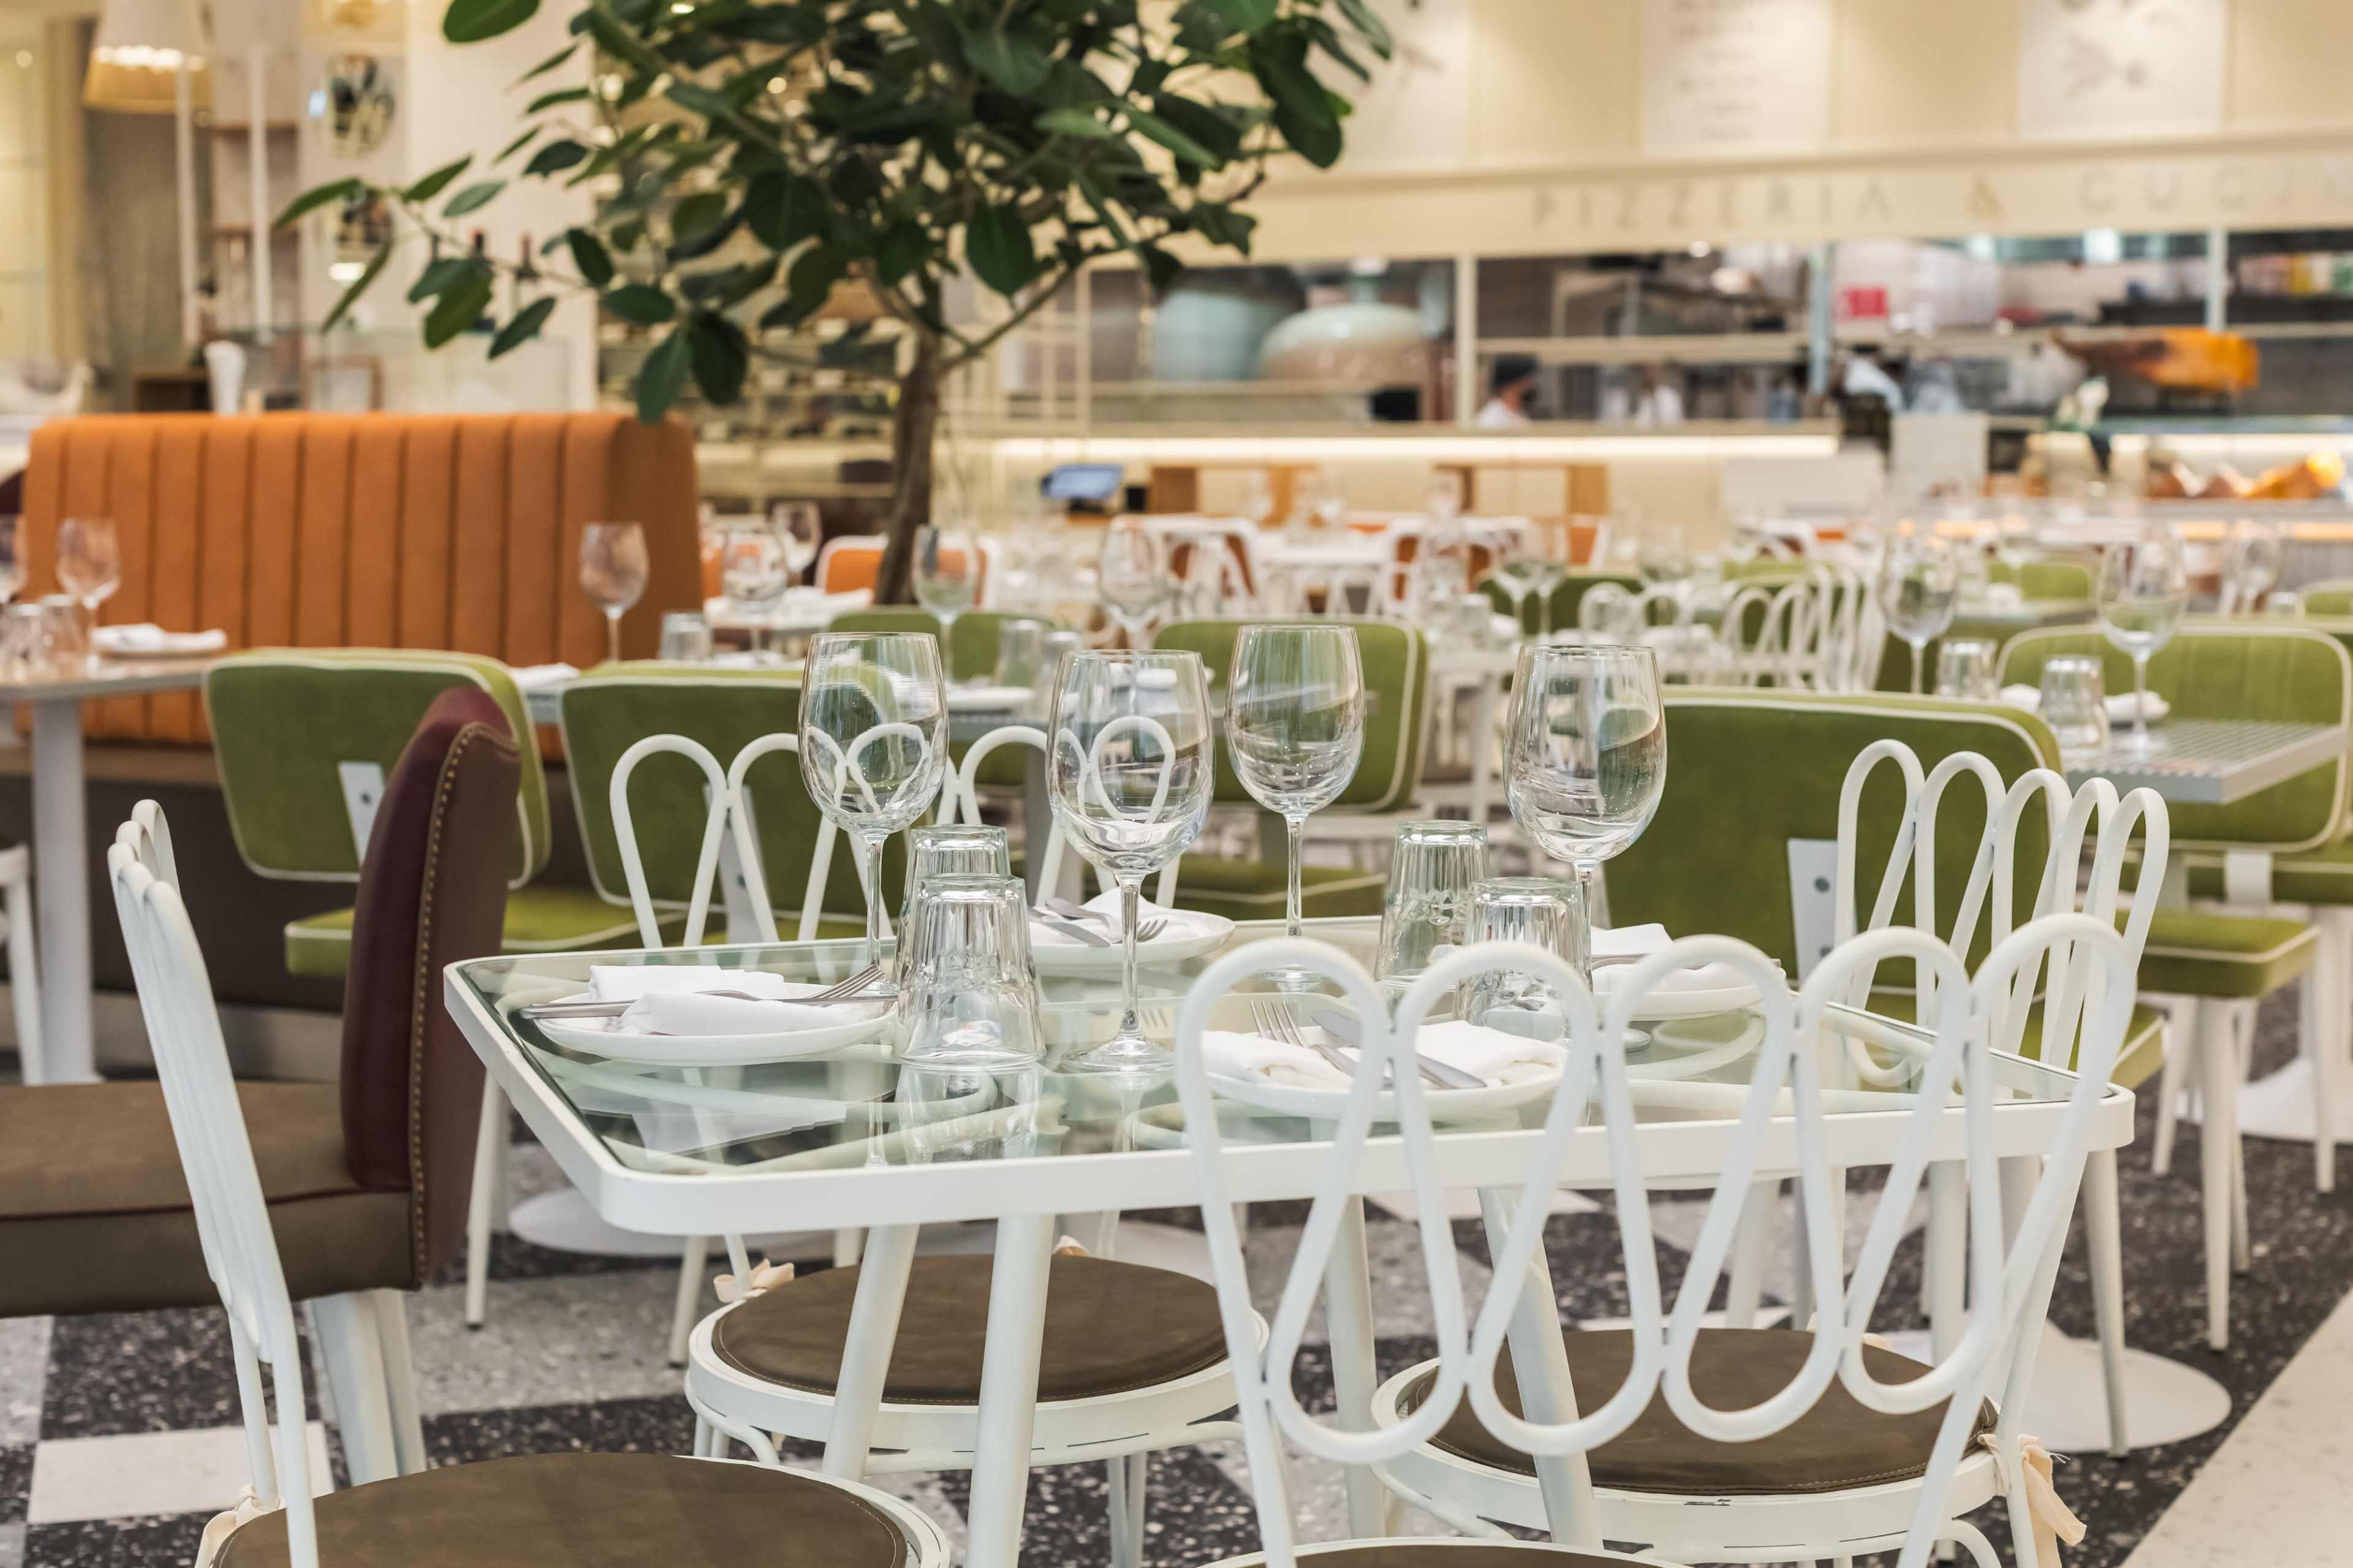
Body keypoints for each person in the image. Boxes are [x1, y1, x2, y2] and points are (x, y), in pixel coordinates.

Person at [1476, 354, 1539, 427]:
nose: (1531, 385)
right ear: (1513, 383)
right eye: (1527, 380)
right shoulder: (1491, 419)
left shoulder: (1519, 414)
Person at [1632, 362, 1685, 426]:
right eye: (1647, 369)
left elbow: (1679, 426)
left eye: (1653, 368)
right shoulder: (1634, 398)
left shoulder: (1671, 397)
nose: (1650, 373)